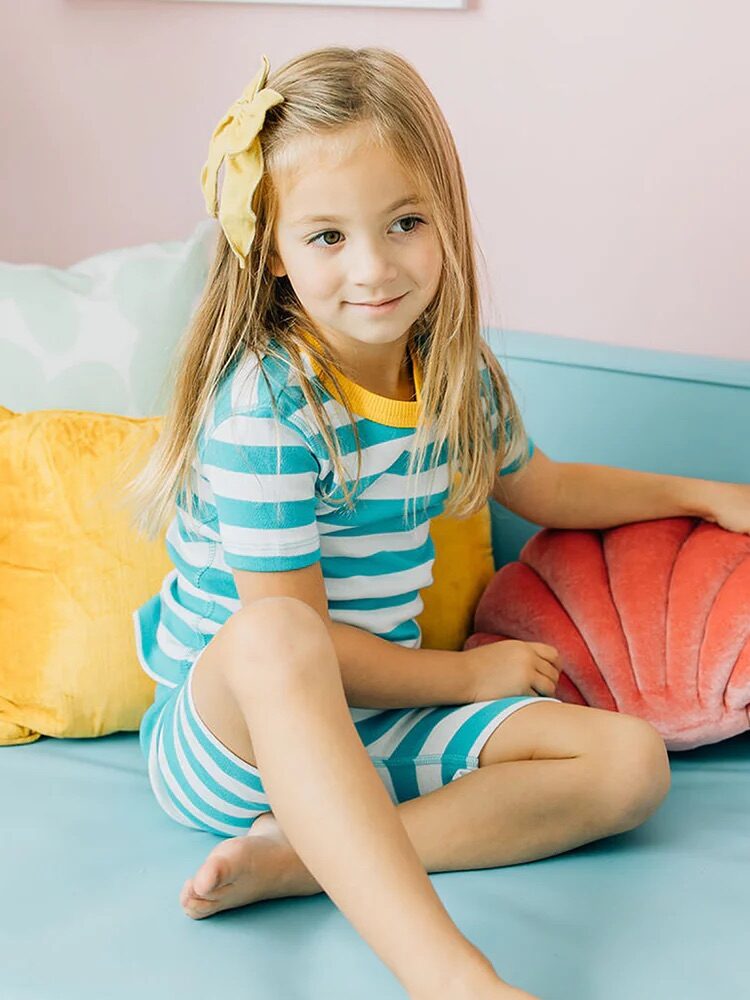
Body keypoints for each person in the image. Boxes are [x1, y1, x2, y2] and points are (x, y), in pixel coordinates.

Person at [123, 48, 672, 1000]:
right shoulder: (269, 402)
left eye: (405, 223)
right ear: (273, 251)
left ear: (447, 220)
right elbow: (293, 645)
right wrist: (462, 675)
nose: (373, 269)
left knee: (630, 765)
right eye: (327, 237)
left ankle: (308, 860)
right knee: (276, 633)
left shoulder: (454, 374)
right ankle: (453, 979)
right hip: (235, 739)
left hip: (376, 727)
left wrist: (706, 497)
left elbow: (548, 489)